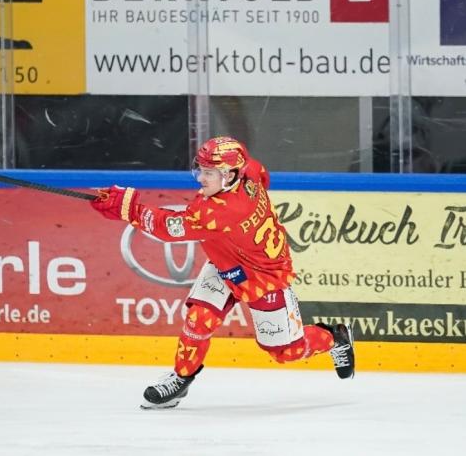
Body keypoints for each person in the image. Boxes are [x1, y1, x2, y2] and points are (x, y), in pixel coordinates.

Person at [90, 136, 355, 409]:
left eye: (209, 173)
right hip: (227, 264)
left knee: (286, 352)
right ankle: (181, 379)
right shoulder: (250, 171)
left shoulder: (219, 212)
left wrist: (127, 208)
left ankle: (335, 338)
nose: (200, 178)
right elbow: (262, 176)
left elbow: (169, 228)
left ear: (229, 175)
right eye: (200, 170)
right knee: (199, 319)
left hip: (264, 278)